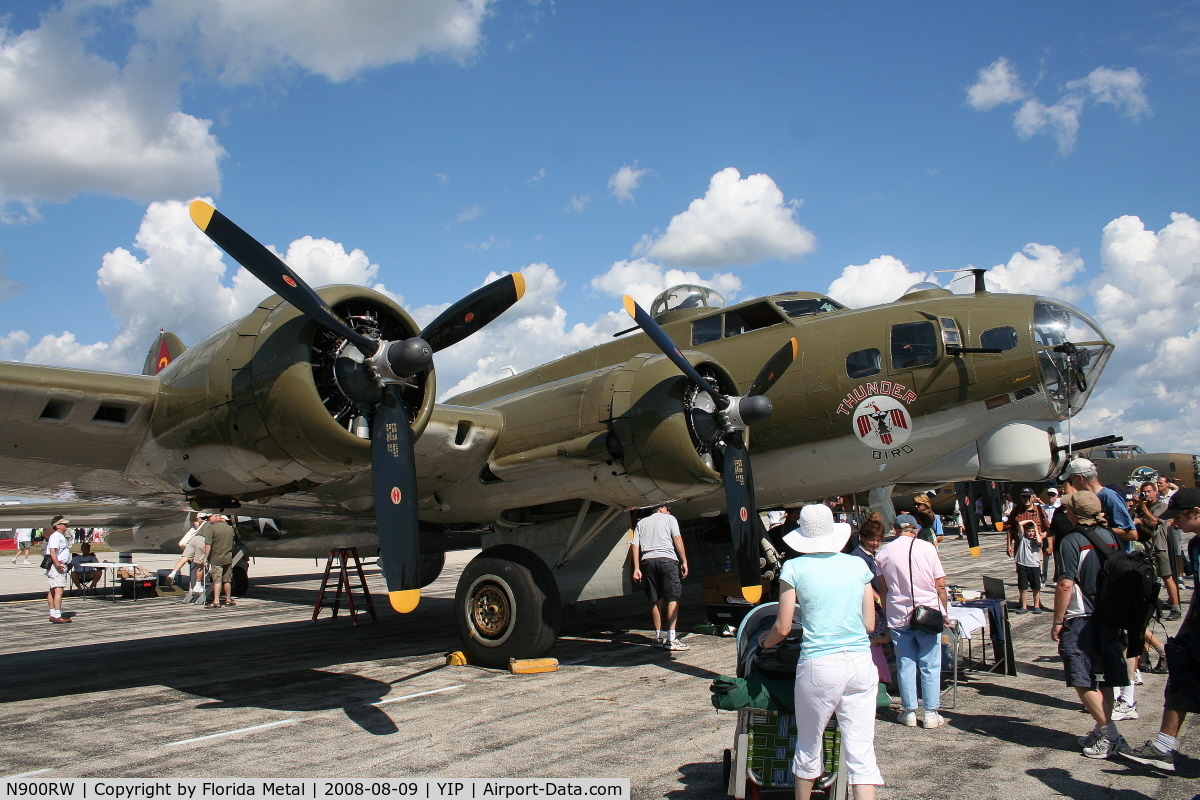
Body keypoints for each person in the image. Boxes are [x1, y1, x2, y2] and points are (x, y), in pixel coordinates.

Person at [760, 504, 883, 798]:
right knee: (861, 754)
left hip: (819, 663)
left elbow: (783, 628)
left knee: (808, 746)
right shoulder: (857, 565)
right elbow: (869, 623)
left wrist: (763, 643)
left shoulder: (794, 567)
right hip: (860, 663)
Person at [1117, 487, 1200, 772]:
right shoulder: (1195, 545)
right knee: (1180, 680)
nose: (1174, 523)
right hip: (1197, 629)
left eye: (1179, 517)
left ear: (1196, 513)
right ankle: (1163, 748)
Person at [1050, 491, 1129, 758]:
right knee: (1105, 677)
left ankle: (1110, 735)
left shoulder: (1073, 540)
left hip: (1082, 617)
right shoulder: (1110, 536)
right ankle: (1102, 728)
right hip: (1108, 616)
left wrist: (1058, 621)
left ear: (1074, 513)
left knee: (1081, 678)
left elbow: (1065, 583)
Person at [877, 510, 951, 729]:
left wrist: (887, 611)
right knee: (930, 663)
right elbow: (940, 585)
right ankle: (930, 712)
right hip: (927, 612)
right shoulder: (928, 548)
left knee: (905, 664)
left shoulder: (884, 552)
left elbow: (883, 589)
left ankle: (909, 710)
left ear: (895, 529)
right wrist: (944, 612)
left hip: (899, 614)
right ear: (915, 529)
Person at [630, 506, 690, 650]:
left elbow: (634, 545)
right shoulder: (670, 519)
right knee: (673, 597)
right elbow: (677, 538)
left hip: (648, 561)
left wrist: (637, 568)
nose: (669, 511)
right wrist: (684, 561)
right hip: (667, 559)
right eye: (668, 508)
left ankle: (658, 637)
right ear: (661, 508)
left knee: (655, 599)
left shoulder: (641, 523)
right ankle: (671, 638)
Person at [1061, 458, 1135, 550]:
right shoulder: (1085, 499)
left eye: (1070, 481)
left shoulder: (1109, 496)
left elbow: (1132, 534)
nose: (1071, 485)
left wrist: (1097, 531)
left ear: (1081, 478)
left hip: (1116, 559)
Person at [1133, 482, 1182, 621]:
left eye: (1149, 491)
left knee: (1167, 577)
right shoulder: (1143, 506)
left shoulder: (1161, 506)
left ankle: (1176, 607)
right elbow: (1130, 519)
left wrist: (1143, 507)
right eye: (1144, 492)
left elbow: (1155, 522)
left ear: (1155, 491)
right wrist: (1136, 506)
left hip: (1158, 547)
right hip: (1144, 548)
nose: (1146, 494)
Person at [1005, 488, 1050, 614]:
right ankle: (1023, 603)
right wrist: (1009, 545)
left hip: (1036, 548)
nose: (1026, 499)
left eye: (1028, 497)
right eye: (1024, 496)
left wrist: (1044, 541)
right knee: (1022, 576)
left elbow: (1049, 529)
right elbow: (1010, 528)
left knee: (1037, 576)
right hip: (1021, 548)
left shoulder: (1040, 510)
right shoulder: (1016, 510)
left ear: (1033, 497)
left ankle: (1037, 603)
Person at [171, 512, 209, 601]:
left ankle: (172, 573)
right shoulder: (207, 525)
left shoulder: (195, 525)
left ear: (199, 518)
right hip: (201, 542)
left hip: (191, 543)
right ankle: (198, 585)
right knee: (200, 565)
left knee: (184, 558)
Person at [203, 512, 236, 609]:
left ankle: (216, 601)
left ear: (216, 517)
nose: (209, 520)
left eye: (210, 517)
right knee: (227, 580)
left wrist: (205, 557)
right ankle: (228, 599)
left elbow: (208, 544)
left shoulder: (211, 529)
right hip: (228, 557)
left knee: (217, 580)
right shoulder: (229, 528)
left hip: (216, 558)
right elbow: (233, 543)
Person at [44, 517, 72, 623]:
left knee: (53, 589)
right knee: (58, 590)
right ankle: (57, 615)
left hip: (59, 565)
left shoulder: (59, 536)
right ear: (58, 526)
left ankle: (53, 614)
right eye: (64, 524)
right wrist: (57, 564)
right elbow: (52, 551)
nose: (66, 526)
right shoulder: (56, 536)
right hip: (58, 565)